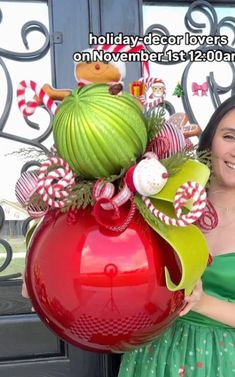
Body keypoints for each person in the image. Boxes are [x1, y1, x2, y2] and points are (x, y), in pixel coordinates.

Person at [118, 95, 235, 377]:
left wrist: (202, 302)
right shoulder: (163, 200)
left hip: (222, 362)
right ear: (209, 141)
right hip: (154, 356)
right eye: (230, 136)